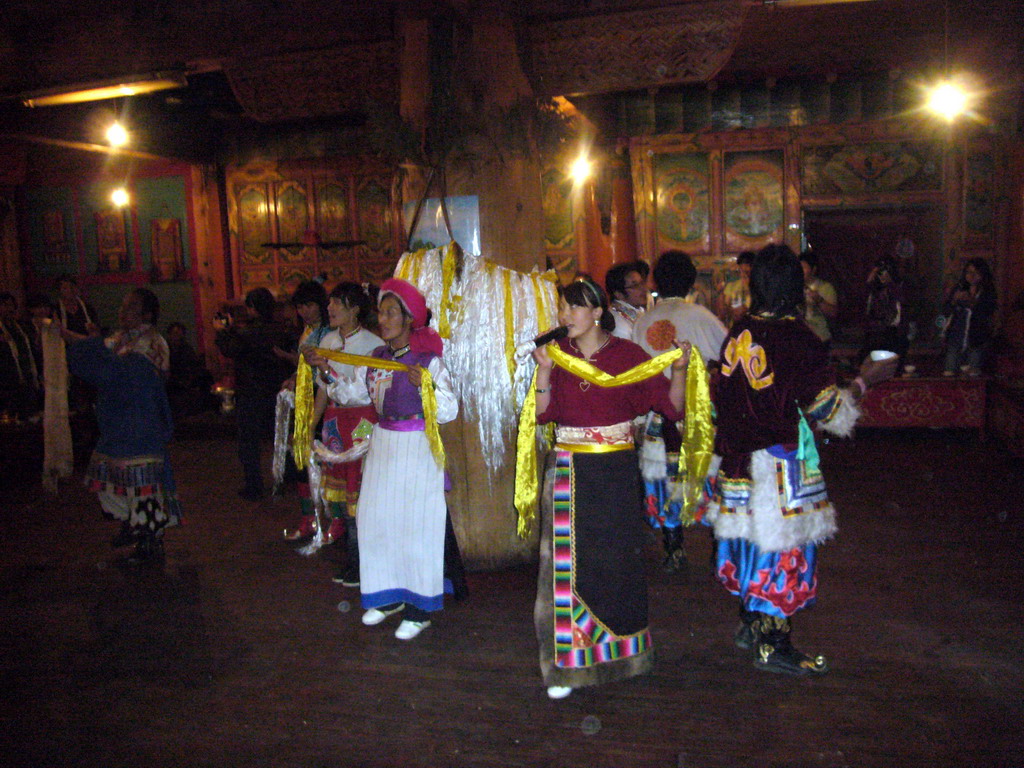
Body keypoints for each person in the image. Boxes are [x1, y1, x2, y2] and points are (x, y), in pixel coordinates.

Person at [705, 244, 897, 676]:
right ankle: (774, 644)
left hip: (737, 462)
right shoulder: (799, 339)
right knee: (781, 553)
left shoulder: (739, 330)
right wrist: (867, 380)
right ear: (798, 286)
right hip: (779, 467)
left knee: (750, 545)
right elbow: (830, 413)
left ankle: (751, 626)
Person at [531, 277, 690, 700]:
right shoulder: (557, 355)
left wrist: (679, 370)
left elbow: (673, 407)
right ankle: (569, 666)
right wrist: (544, 372)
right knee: (570, 569)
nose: (564, 317)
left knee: (618, 563)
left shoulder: (628, 355)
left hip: (616, 472)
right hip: (569, 470)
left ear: (598, 311)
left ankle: (625, 656)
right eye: (561, 309)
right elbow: (542, 415)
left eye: (572, 308)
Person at [316, 279, 458, 641]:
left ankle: (419, 608)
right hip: (382, 446)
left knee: (416, 528)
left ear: (410, 319)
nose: (384, 318)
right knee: (374, 520)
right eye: (381, 311)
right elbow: (353, 394)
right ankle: (385, 595)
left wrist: (426, 387)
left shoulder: (428, 362)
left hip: (417, 449)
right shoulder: (376, 359)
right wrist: (327, 370)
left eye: (392, 312)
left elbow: (450, 410)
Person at [65, 288, 180, 563]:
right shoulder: (122, 338)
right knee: (111, 479)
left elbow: (122, 374)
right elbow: (101, 352)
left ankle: (150, 541)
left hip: (141, 422)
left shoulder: (153, 342)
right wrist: (70, 336)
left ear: (147, 314)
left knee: (142, 484)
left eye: (130, 308)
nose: (122, 312)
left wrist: (93, 347)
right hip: (118, 424)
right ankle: (132, 524)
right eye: (123, 307)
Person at [632, 250, 727, 572]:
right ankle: (718, 550)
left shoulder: (644, 320)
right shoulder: (702, 316)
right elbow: (728, 356)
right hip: (699, 415)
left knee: (663, 479)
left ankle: (674, 548)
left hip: (657, 415)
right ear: (690, 281)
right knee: (711, 476)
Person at [292, 283, 382, 586]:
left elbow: (364, 391)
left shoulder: (372, 344)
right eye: (329, 303)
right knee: (341, 497)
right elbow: (323, 390)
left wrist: (326, 368)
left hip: (362, 421)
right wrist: (310, 426)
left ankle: (363, 563)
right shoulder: (328, 340)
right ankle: (352, 561)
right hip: (334, 421)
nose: (329, 309)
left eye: (337, 304)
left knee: (360, 491)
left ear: (355, 308)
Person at [215, 288, 294, 501]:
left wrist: (222, 331)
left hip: (251, 392)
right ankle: (287, 479)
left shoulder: (248, 332)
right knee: (281, 437)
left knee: (250, 443)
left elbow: (230, 349)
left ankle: (254, 485)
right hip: (276, 389)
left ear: (253, 308)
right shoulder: (280, 330)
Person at [282, 280, 332, 530]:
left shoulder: (329, 333)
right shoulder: (307, 330)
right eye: (300, 306)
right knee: (300, 458)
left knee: (322, 458)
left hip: (323, 398)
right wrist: (294, 378)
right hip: (304, 398)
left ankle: (331, 518)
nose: (304, 311)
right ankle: (309, 517)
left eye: (309, 305)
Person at [943, 258, 997, 377]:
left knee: (973, 376)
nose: (971, 276)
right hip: (956, 338)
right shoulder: (959, 288)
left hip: (977, 339)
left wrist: (972, 302)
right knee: (949, 373)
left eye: (975, 273)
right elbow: (945, 311)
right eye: (968, 272)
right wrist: (954, 301)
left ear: (983, 274)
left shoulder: (988, 292)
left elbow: (987, 312)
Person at [860, 256, 908, 364]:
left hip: (894, 335)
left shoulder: (899, 287)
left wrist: (890, 283)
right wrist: (870, 280)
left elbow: (902, 302)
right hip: (875, 333)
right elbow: (863, 303)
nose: (882, 275)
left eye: (884, 271)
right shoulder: (874, 290)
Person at [0, 292, 40, 418]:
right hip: (6, 380)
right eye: (5, 306)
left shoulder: (21, 326)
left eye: (11, 305)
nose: (9, 309)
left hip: (26, 375)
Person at [605, 260, 650, 340]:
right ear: (619, 294)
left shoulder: (638, 312)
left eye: (642, 283)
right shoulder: (618, 325)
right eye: (635, 285)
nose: (643, 289)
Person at [799, 250, 837, 345]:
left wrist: (818, 300)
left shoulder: (825, 287)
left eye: (803, 268)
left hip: (819, 337)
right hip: (800, 336)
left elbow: (833, 313)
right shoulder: (794, 286)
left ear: (813, 269)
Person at [722, 250, 755, 326]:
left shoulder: (758, 288)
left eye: (747, 272)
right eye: (741, 271)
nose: (743, 275)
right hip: (735, 326)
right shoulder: (732, 285)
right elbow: (724, 310)